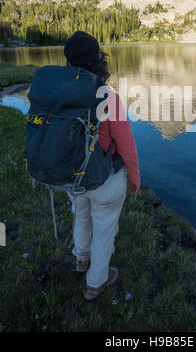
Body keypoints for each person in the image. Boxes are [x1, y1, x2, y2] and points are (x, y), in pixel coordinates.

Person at [64, 31, 140, 301]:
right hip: (102, 177)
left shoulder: (62, 93)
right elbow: (127, 144)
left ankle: (80, 260)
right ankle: (96, 282)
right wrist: (134, 178)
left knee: (82, 215)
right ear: (100, 61)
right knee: (104, 227)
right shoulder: (108, 96)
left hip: (73, 175)